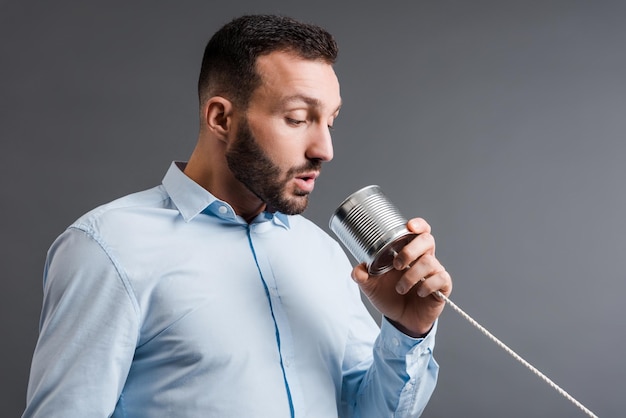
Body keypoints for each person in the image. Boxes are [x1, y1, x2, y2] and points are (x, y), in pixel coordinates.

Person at [23, 14, 452, 418]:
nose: (324, 149)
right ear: (221, 118)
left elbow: (364, 411)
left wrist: (406, 332)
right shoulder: (108, 248)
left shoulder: (321, 252)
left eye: (330, 122)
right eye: (298, 118)